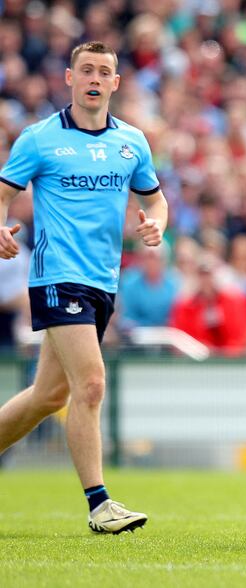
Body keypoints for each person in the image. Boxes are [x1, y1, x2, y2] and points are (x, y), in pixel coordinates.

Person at [0, 42, 168, 534]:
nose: (95, 78)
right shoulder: (39, 139)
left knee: (47, 396)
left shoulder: (132, 142)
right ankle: (100, 504)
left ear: (115, 84)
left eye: (105, 72)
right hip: (57, 275)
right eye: (86, 69)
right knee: (90, 384)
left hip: (103, 282)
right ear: (70, 78)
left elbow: (156, 201)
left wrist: (155, 224)